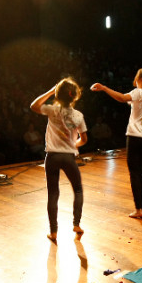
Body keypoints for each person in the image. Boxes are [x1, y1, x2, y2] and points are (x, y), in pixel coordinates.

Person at [91, 68, 142, 219]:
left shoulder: (138, 92)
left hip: (135, 137)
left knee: (134, 173)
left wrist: (104, 88)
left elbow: (122, 98)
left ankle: (138, 209)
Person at [30, 78, 88, 241]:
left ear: (58, 94)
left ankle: (53, 232)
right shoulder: (78, 115)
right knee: (78, 190)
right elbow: (84, 139)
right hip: (69, 157)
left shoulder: (53, 110)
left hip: (52, 156)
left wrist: (50, 91)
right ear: (74, 96)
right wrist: (74, 145)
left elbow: (33, 106)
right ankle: (76, 224)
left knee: (53, 194)